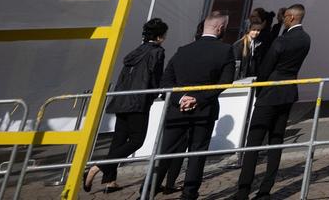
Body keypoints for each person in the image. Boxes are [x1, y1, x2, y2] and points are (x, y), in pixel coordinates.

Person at [149, 14, 235, 200]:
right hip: (204, 110)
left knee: (166, 151)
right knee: (197, 154)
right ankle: (189, 194)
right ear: (220, 29)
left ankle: (148, 189)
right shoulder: (225, 50)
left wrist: (181, 98)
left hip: (177, 110)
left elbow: (166, 81)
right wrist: (199, 99)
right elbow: (225, 81)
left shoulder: (183, 50)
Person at [234, 4, 310, 199]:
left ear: (291, 18)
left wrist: (259, 88)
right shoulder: (305, 39)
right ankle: (265, 189)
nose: (283, 20)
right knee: (276, 140)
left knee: (254, 141)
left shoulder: (282, 41)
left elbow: (266, 68)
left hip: (270, 93)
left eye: (285, 17)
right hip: (288, 91)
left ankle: (243, 189)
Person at [84, 18, 166, 193]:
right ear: (159, 36)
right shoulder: (157, 52)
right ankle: (98, 167)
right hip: (138, 101)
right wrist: (158, 94)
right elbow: (155, 77)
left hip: (122, 99)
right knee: (137, 140)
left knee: (119, 140)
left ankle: (109, 181)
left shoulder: (136, 52)